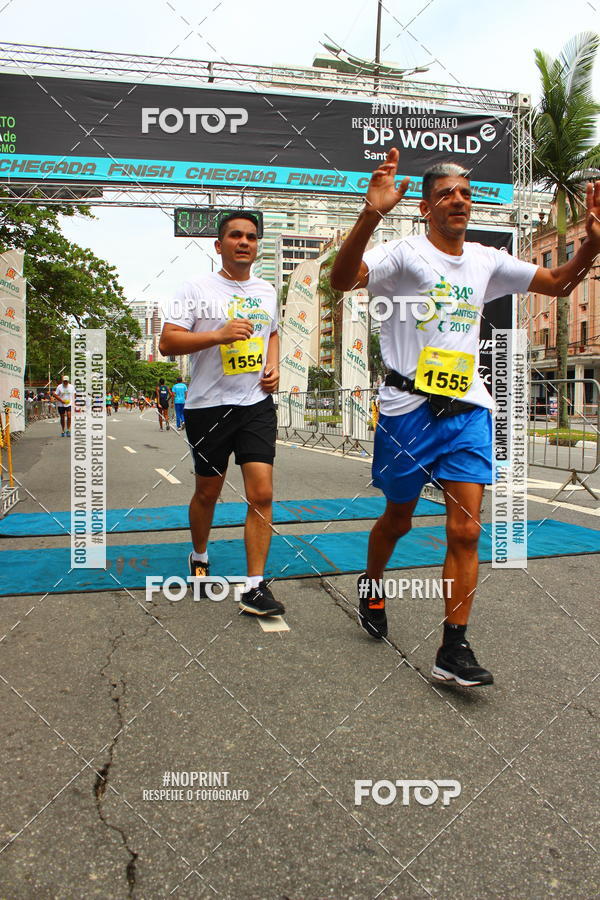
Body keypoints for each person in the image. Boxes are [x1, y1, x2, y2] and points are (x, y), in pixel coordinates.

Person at [331, 148, 600, 687]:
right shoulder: (404, 254)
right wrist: (371, 213)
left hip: (468, 409)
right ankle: (372, 582)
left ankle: (453, 647)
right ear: (427, 208)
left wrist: (592, 244)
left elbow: (558, 283)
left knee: (466, 531)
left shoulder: (486, 259)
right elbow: (342, 280)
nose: (459, 200)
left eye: (466, 193)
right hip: (408, 410)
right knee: (399, 519)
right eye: (446, 194)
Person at [159, 212, 283, 616]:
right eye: (235, 235)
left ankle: (254, 586)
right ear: (219, 245)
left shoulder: (267, 290)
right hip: (208, 406)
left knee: (261, 493)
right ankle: (199, 553)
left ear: (257, 245)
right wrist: (218, 334)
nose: (243, 241)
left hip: (255, 405)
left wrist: (274, 366)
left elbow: (273, 333)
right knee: (208, 492)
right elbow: (167, 342)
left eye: (250, 236)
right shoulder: (195, 288)